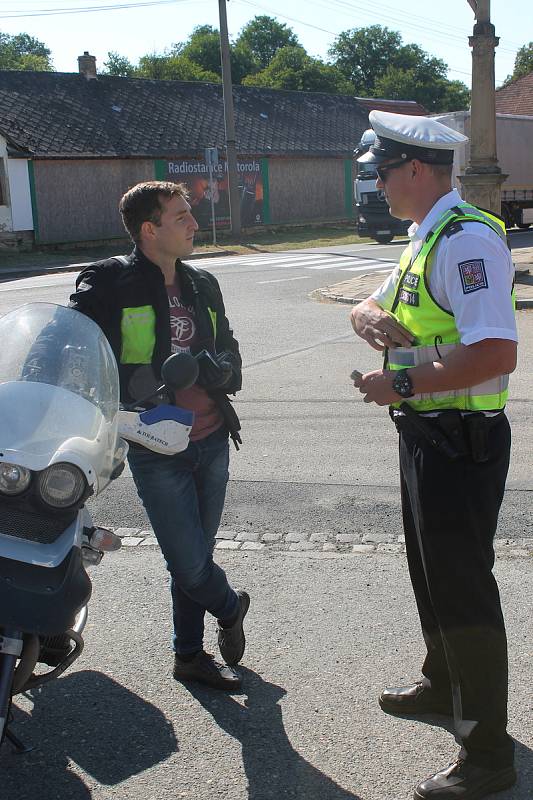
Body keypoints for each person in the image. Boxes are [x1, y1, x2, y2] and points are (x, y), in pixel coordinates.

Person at [350, 111, 517, 800]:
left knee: (462, 591)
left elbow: (495, 351)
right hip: (425, 433)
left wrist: (401, 381)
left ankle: (486, 758)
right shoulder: (424, 237)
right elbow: (370, 304)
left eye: (381, 173)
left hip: (460, 440)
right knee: (429, 574)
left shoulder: (466, 241)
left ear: (414, 170)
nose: (377, 186)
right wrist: (365, 318)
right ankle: (442, 683)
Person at [69, 180, 249, 691]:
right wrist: (131, 386)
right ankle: (231, 607)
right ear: (150, 229)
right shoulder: (110, 285)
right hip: (156, 446)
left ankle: (189, 655)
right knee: (190, 563)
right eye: (181, 217)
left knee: (194, 556)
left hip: (212, 440)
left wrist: (220, 371)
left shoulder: (202, 284)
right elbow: (71, 348)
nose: (195, 223)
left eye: (191, 214)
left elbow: (231, 350)